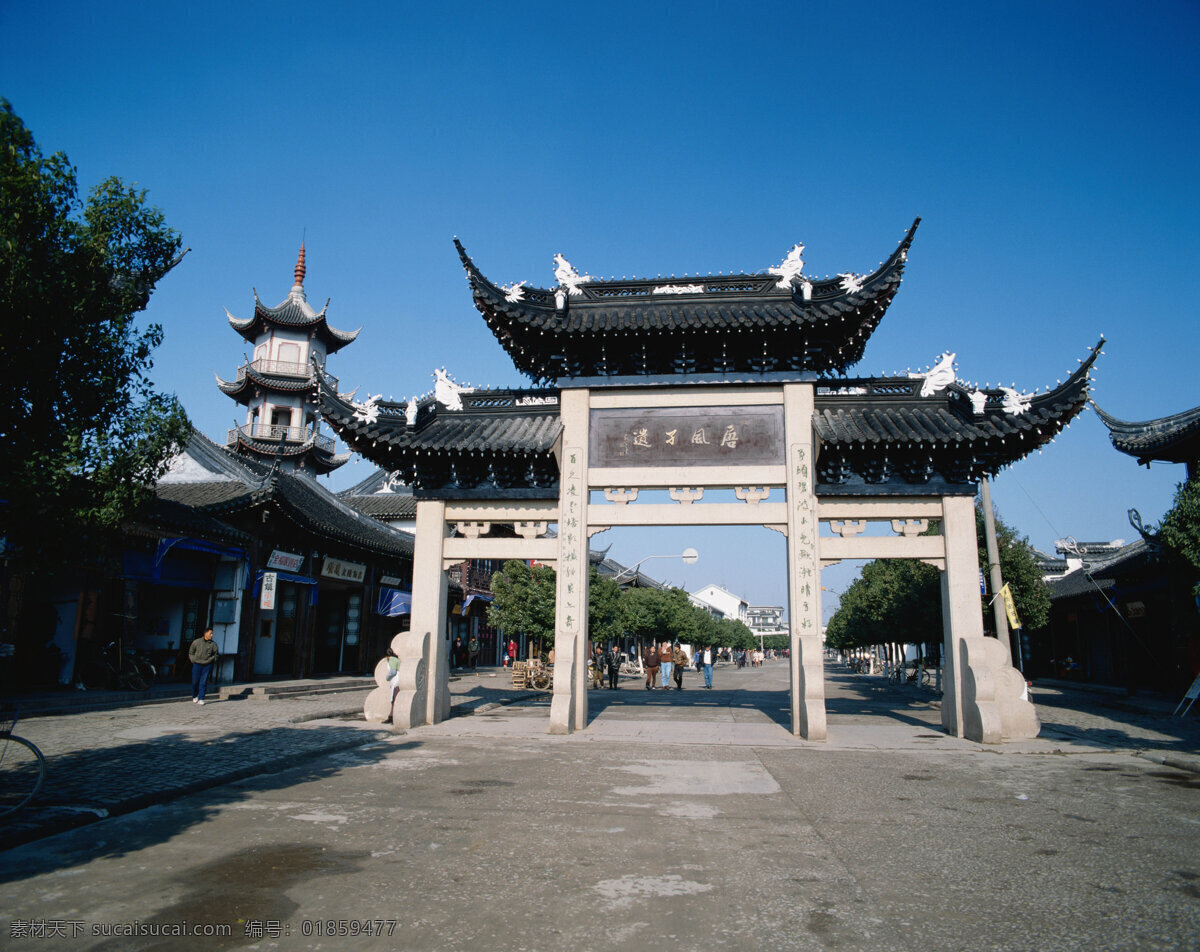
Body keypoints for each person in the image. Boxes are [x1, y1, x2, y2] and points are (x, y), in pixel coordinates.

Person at [189, 628, 219, 706]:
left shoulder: (213, 644)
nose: (212, 635)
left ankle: (201, 698)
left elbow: (216, 654)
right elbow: (191, 652)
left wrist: (212, 660)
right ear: (205, 634)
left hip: (207, 665)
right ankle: (194, 695)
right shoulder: (197, 642)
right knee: (195, 681)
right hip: (197, 664)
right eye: (210, 633)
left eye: (212, 634)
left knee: (203, 681)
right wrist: (193, 660)